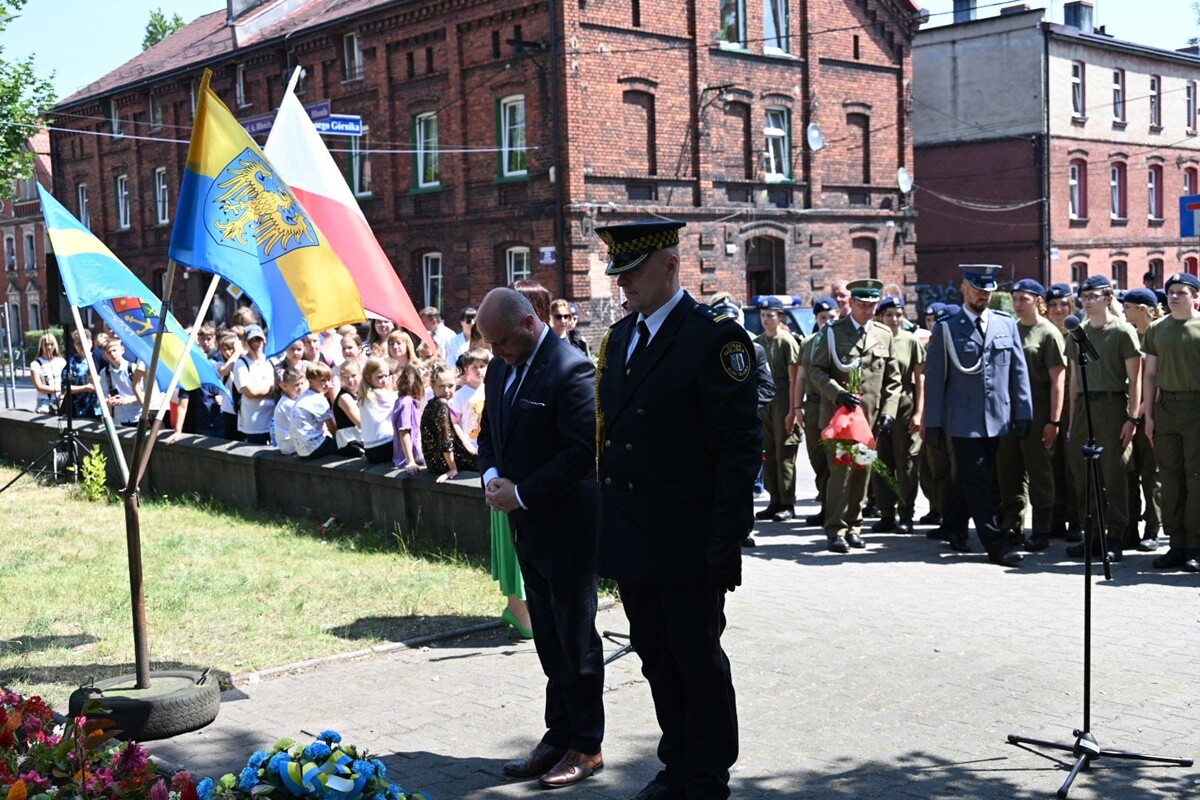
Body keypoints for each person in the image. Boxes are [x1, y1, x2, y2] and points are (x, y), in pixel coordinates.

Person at [594, 220, 758, 800]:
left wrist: (726, 539)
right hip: (634, 533)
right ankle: (677, 763)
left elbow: (738, 449)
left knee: (696, 658)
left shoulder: (713, 338)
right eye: (618, 273)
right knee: (656, 658)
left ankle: (707, 776)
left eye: (633, 271)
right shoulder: (621, 338)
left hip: (687, 537)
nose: (623, 284)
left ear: (670, 264)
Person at [475, 287, 604, 790]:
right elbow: (490, 433)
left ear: (529, 323)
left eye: (502, 341)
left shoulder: (571, 369)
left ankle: (587, 745)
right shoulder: (500, 368)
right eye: (490, 344)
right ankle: (559, 734)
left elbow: (581, 453)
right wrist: (492, 477)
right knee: (547, 636)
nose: (496, 352)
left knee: (576, 637)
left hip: (567, 527)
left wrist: (523, 493)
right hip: (526, 527)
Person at [922, 265, 1032, 567]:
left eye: (988, 290)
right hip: (963, 419)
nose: (983, 295)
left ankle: (953, 524)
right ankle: (996, 544)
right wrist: (932, 422)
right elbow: (935, 379)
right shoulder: (947, 328)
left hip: (998, 416)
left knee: (972, 479)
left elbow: (1018, 371)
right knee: (979, 480)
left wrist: (1023, 411)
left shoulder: (1005, 324)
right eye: (978, 289)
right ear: (964, 289)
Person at [809, 278, 900, 553]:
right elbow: (816, 370)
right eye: (862, 305)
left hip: (868, 422)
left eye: (872, 305)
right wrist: (837, 393)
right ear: (852, 303)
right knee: (840, 473)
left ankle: (854, 526)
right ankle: (835, 530)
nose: (868, 310)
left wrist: (889, 412)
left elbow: (893, 380)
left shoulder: (883, 334)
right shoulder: (833, 332)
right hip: (839, 419)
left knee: (862, 471)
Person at [1063, 275, 1141, 562]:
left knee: (1113, 473)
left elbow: (1135, 379)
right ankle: (1093, 535)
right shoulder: (1077, 332)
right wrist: (1072, 421)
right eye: (1083, 296)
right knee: (1084, 474)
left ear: (1108, 298)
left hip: (1112, 404)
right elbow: (1073, 381)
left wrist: (1132, 417)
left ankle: (1115, 536)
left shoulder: (1122, 331)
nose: (1086, 301)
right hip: (1085, 406)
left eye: (1093, 296)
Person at [995, 279, 1066, 552]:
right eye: (1015, 299)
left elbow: (1058, 380)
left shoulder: (1048, 333)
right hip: (1010, 408)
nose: (1018, 304)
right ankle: (1013, 525)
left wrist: (1054, 420)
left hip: (1038, 407)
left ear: (1038, 301)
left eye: (1024, 299)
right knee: (1008, 469)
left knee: (1039, 470)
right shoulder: (1010, 330)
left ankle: (1042, 529)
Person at [1142, 272, 1200, 572]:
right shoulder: (1157, 328)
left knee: (1196, 478)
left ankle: (1195, 546)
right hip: (1167, 409)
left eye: (1181, 292)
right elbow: (1150, 375)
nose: (1174, 297)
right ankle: (1176, 544)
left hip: (1196, 407)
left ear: (1196, 297)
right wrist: (1149, 416)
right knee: (1171, 479)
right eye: (1171, 292)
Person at [872, 296, 925, 535]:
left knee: (905, 462)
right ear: (880, 317)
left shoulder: (911, 341)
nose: (894, 319)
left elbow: (920, 378)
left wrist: (919, 412)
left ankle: (906, 514)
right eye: (889, 315)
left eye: (898, 314)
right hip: (879, 405)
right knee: (881, 461)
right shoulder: (874, 339)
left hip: (904, 404)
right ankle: (886, 513)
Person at [1120, 288, 1162, 552]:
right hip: (1131, 415)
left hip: (1150, 415)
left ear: (1144, 309)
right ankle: (1130, 527)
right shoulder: (1130, 336)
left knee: (1151, 474)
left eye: (1128, 307)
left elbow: (1157, 382)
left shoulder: (1158, 335)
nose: (1124, 311)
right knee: (1128, 472)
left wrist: (1138, 413)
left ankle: (1152, 529)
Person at [753, 297, 802, 522]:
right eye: (763, 315)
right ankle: (774, 499)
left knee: (785, 453)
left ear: (780, 317)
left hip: (783, 396)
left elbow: (794, 379)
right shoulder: (759, 342)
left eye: (770, 315)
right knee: (768, 452)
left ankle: (787, 502)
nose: (765, 320)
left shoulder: (786, 341)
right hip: (766, 400)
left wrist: (793, 409)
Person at [798, 296, 839, 526]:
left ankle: (837, 510)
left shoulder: (842, 340)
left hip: (834, 404)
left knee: (836, 458)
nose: (827, 321)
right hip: (813, 405)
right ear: (816, 319)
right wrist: (796, 407)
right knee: (817, 458)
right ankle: (824, 504)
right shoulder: (809, 342)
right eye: (823, 318)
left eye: (831, 317)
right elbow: (800, 378)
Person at [421, 362, 478, 482]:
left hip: (436, 460)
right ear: (433, 386)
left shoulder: (433, 403)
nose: (446, 390)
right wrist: (452, 468)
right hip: (442, 462)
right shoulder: (441, 404)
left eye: (450, 386)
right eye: (441, 386)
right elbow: (445, 440)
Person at [232, 324, 276, 445]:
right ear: (246, 342)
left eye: (259, 339)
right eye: (253, 340)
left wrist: (266, 390)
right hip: (253, 425)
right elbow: (251, 392)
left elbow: (281, 387)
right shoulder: (241, 364)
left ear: (264, 341)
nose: (257, 343)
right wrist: (272, 389)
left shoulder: (271, 361)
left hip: (273, 421)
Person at [292, 361, 339, 460]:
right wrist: (341, 440)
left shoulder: (303, 396)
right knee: (348, 448)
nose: (327, 384)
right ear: (311, 381)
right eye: (323, 380)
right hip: (314, 447)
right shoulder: (318, 399)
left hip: (301, 450)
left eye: (328, 380)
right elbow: (332, 428)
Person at [359, 356, 397, 464]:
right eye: (380, 377)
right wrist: (390, 389)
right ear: (368, 377)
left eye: (386, 376)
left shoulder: (363, 395)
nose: (384, 380)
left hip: (370, 450)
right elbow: (397, 407)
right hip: (385, 446)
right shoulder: (379, 394)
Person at [99, 339, 141, 427]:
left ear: (122, 350)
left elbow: (145, 393)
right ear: (105, 355)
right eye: (109, 352)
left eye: (114, 350)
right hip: (119, 418)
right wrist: (110, 400)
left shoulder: (134, 369)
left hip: (138, 415)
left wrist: (127, 400)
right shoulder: (104, 373)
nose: (112, 354)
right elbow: (104, 395)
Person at [61, 329, 101, 420]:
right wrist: (84, 388)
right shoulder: (71, 364)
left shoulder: (99, 358)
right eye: (79, 343)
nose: (82, 346)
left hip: (98, 410)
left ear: (91, 343)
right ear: (75, 345)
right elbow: (65, 388)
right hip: (78, 410)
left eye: (85, 342)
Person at [391, 363, 424, 473]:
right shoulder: (406, 402)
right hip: (410, 458)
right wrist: (410, 461)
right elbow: (404, 431)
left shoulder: (402, 401)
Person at [273, 367, 305, 455]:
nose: (300, 387)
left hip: (296, 442)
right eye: (296, 385)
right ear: (284, 386)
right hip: (290, 446)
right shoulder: (287, 404)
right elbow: (301, 427)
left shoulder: (295, 400)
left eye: (301, 383)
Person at [31, 333, 65, 414]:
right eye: (46, 344)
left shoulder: (61, 361)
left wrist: (63, 394)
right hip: (45, 401)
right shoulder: (35, 364)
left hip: (61, 399)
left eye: (51, 344)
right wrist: (59, 389)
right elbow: (39, 387)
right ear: (41, 346)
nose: (49, 347)